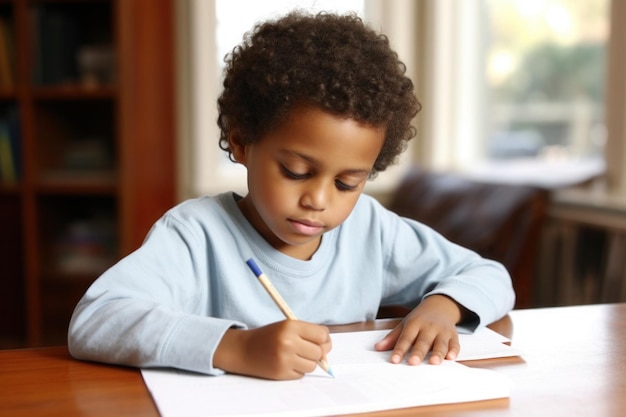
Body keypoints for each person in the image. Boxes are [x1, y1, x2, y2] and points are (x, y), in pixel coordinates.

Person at [68, 11, 515, 381]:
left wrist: (444, 306)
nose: (319, 199)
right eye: (296, 171)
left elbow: (489, 274)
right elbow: (96, 321)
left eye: (347, 183)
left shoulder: (370, 229)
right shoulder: (195, 235)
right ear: (241, 142)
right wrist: (234, 347)